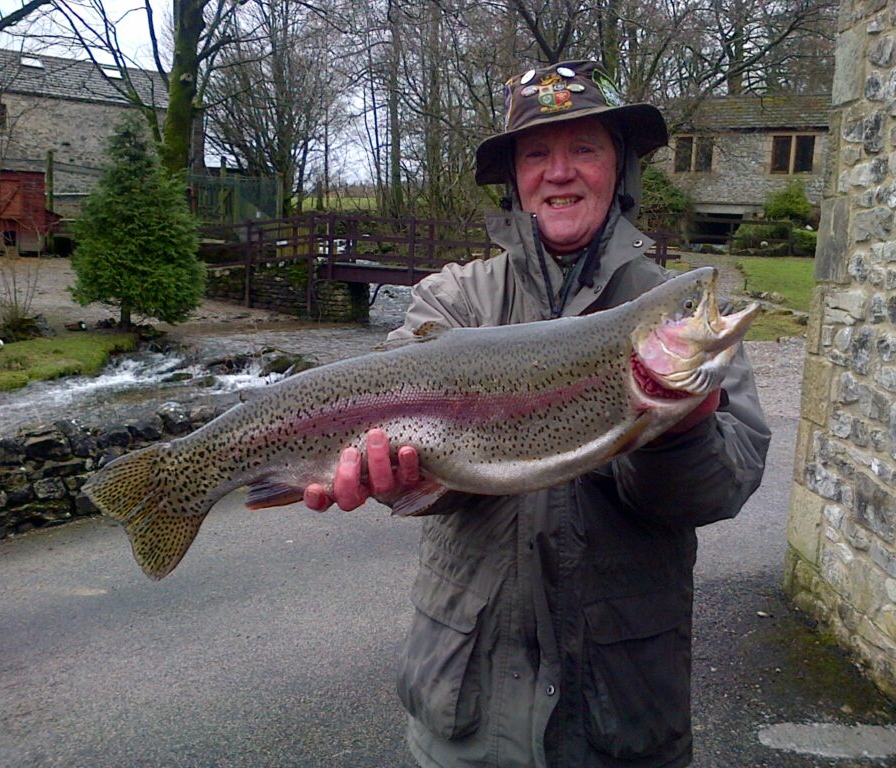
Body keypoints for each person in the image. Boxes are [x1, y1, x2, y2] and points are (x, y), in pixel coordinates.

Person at [304, 60, 771, 768]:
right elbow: (427, 471)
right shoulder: (451, 301)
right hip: (467, 706)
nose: (559, 172)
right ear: (516, 177)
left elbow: (720, 490)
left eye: (585, 148)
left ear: (621, 169)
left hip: (622, 712)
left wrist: (683, 430)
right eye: (537, 154)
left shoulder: (670, 309)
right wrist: (400, 482)